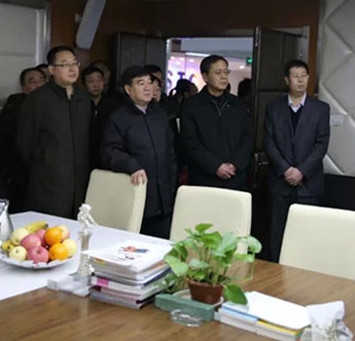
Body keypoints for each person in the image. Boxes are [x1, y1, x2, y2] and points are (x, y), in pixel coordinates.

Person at [264, 59, 330, 263]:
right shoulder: (274, 108)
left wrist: (301, 171)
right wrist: (286, 170)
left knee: (306, 234)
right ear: (287, 80)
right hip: (280, 183)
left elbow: (321, 144)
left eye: (304, 76)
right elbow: (269, 142)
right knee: (277, 233)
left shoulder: (320, 108)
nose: (301, 80)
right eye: (295, 76)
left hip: (308, 184)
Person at [17, 46, 92, 219]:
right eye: (65, 64)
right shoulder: (38, 99)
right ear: (52, 70)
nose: (72, 69)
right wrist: (45, 166)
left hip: (81, 182)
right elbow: (25, 144)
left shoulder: (83, 98)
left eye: (75, 63)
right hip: (49, 184)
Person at [101, 66, 175, 238]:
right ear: (128, 89)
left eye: (150, 83)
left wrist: (172, 181)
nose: (148, 88)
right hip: (136, 191)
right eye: (141, 84)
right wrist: (131, 165)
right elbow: (109, 150)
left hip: (164, 196)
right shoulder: (119, 117)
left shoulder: (159, 114)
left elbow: (170, 151)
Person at [180, 55, 253, 190]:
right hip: (204, 178)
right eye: (218, 73)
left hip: (235, 177)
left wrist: (235, 164)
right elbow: (190, 142)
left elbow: (247, 138)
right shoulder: (191, 106)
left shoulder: (238, 105)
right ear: (205, 77)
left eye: (226, 72)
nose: (224, 77)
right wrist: (216, 166)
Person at [0, 67, 47, 212]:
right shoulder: (14, 107)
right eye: (32, 81)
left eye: (42, 81)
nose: (38, 85)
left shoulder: (55, 106)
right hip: (20, 173)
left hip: (48, 174)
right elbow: (2, 142)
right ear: (24, 88)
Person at [81, 65, 118, 169]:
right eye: (91, 81)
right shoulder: (79, 105)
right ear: (84, 84)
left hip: (106, 153)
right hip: (85, 154)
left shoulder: (114, 104)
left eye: (99, 80)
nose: (96, 85)